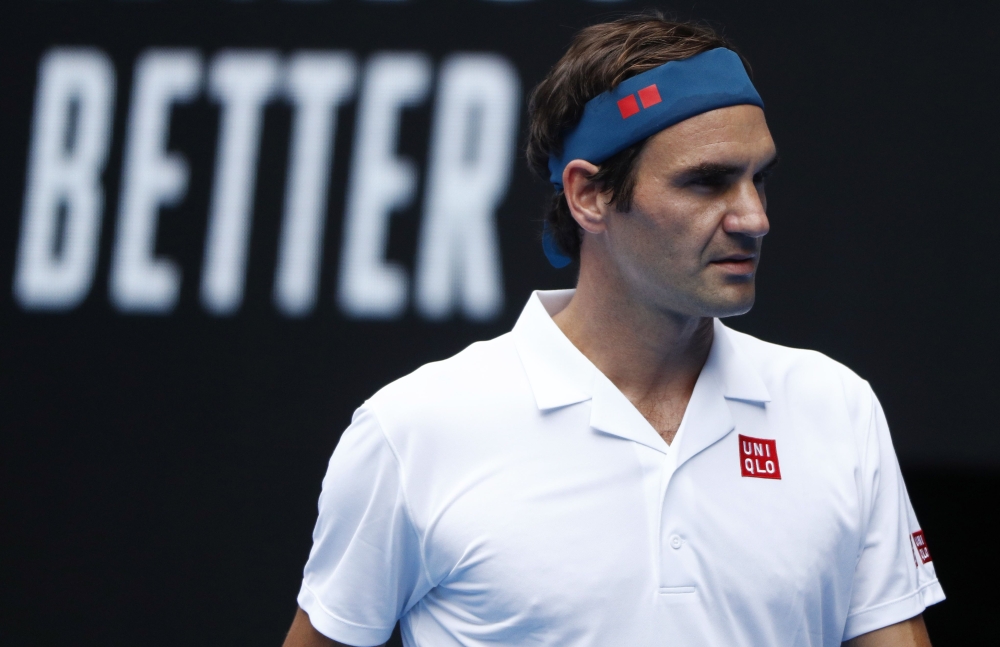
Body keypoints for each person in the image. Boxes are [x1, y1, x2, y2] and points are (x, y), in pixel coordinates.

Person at [282, 14, 944, 647]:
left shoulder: (838, 408)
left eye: (758, 179)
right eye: (707, 182)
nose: (753, 217)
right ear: (589, 195)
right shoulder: (414, 428)